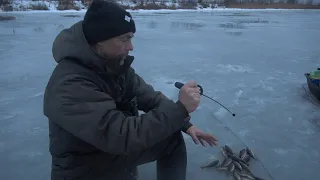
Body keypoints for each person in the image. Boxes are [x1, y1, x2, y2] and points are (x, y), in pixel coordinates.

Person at [43, 0, 218, 180]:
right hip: (84, 168)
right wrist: (180, 109)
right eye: (125, 39)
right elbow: (121, 136)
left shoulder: (115, 66)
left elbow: (151, 99)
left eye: (131, 38)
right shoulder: (70, 83)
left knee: (170, 138)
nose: (131, 46)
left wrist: (185, 124)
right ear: (100, 41)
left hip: (110, 153)